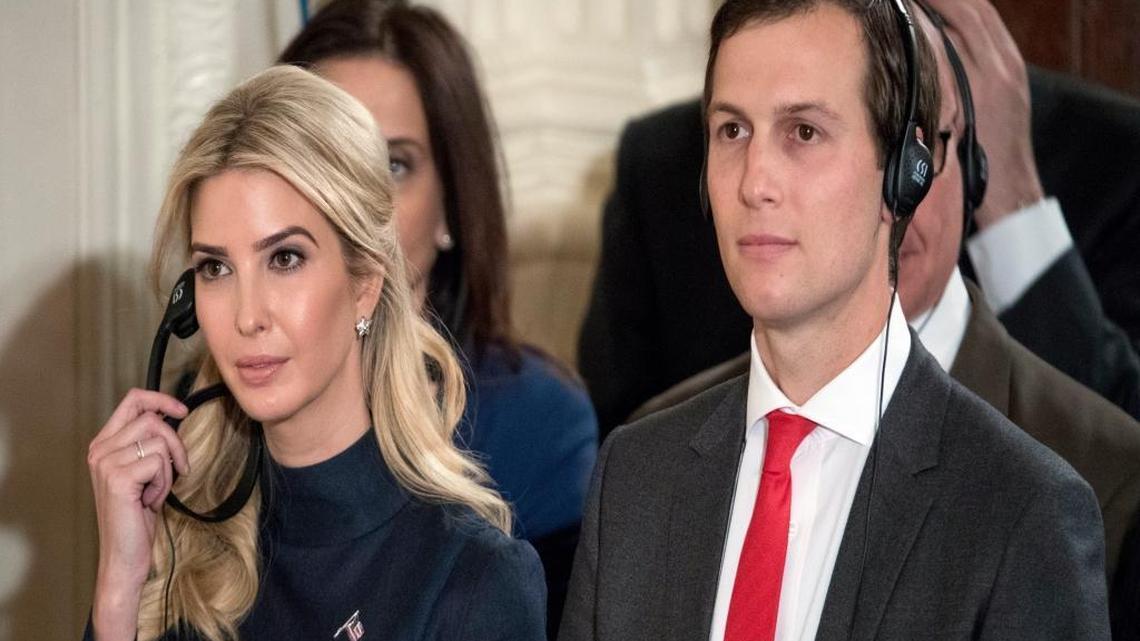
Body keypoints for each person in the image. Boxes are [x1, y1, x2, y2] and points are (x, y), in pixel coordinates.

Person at [559, 1, 1108, 639]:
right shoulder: (634, 476)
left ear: (905, 172)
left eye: (804, 132)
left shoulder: (1022, 510)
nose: (754, 183)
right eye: (733, 131)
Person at [84, 65, 545, 641]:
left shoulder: (470, 578)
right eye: (216, 268)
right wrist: (119, 588)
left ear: (365, 283)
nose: (247, 316)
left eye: (284, 259)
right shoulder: (176, 553)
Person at [577, 1, 1140, 438]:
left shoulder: (1110, 161)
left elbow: (1111, 454)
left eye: (921, 155)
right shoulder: (664, 169)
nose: (899, 206)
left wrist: (1014, 202)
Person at [277, 2, 598, 636]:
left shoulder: (539, 420)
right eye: (325, 160)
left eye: (393, 165)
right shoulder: (211, 410)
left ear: (451, 199)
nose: (354, 205)